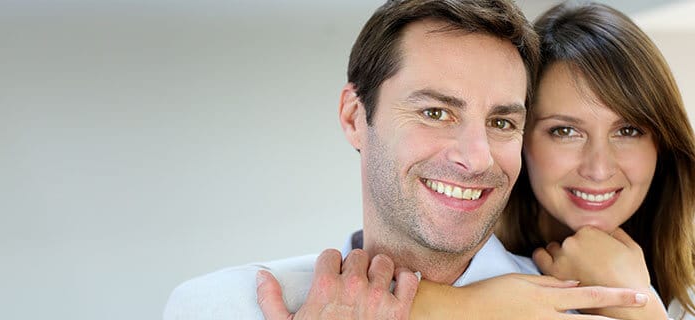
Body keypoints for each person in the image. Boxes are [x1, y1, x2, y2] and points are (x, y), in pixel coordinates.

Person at [164, 1, 653, 319]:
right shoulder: (221, 307)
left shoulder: (587, 314)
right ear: (355, 116)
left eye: (501, 122)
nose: (475, 157)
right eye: (436, 112)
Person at [407, 2, 695, 320]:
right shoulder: (447, 284)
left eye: (628, 130)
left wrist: (639, 307)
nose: (598, 168)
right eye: (565, 131)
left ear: (661, 142)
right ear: (519, 136)